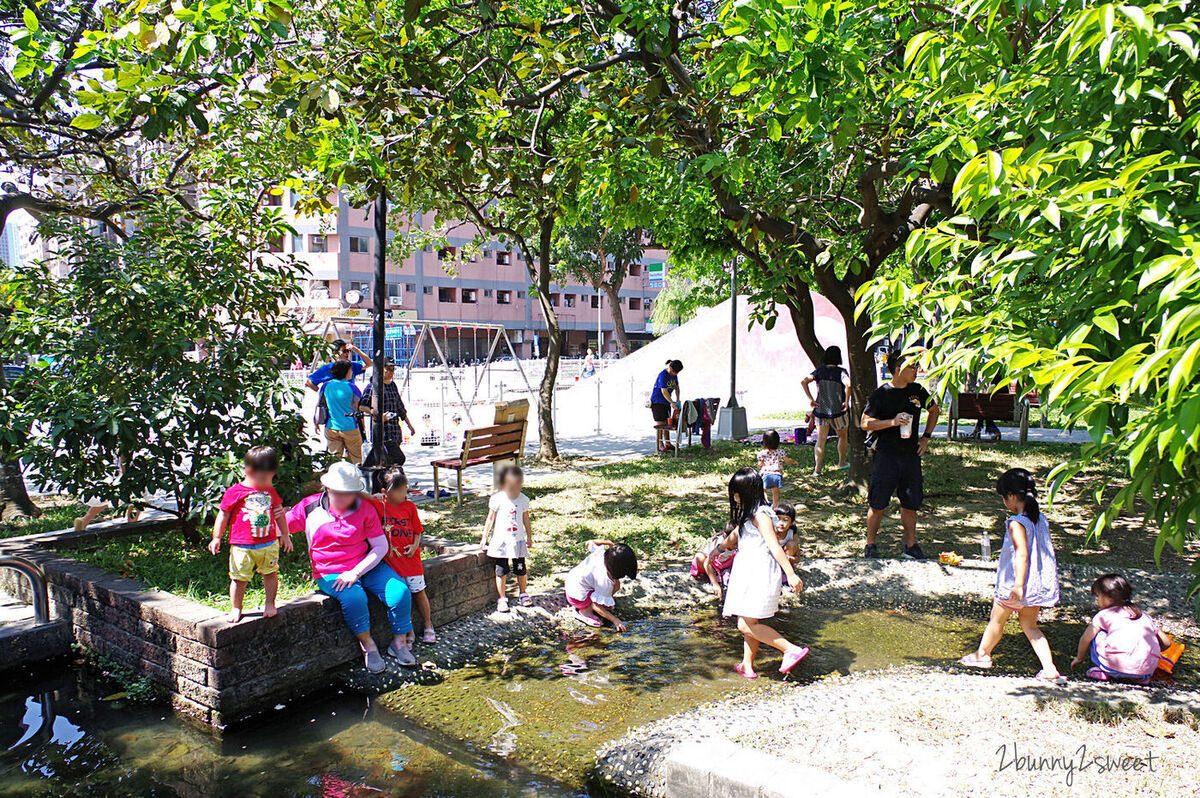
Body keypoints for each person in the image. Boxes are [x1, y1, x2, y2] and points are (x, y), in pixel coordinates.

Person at [286, 461, 416, 672]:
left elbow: (380, 546)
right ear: (327, 489)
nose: (346, 498)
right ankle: (368, 645)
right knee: (355, 598)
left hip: (366, 565)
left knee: (400, 592)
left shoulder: (364, 508)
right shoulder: (310, 507)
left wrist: (356, 572)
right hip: (330, 570)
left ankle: (399, 643)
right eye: (340, 492)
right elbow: (282, 525)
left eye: (351, 493)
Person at [960, 468, 1063, 682]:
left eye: (1004, 497)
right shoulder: (1040, 519)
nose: (1004, 502)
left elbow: (1022, 554)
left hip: (1015, 586)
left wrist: (1017, 585)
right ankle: (1049, 667)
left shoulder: (1017, 522)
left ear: (1013, 496)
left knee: (996, 621)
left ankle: (983, 654)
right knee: (1031, 626)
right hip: (1035, 585)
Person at [722, 467, 808, 679]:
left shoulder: (761, 515)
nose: (735, 497)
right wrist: (717, 550)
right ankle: (747, 665)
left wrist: (792, 573)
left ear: (749, 492)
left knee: (744, 624)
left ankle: (790, 649)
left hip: (758, 574)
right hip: (750, 572)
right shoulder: (751, 513)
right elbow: (734, 537)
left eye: (738, 492)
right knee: (751, 622)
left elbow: (774, 546)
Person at [860, 351, 940, 559]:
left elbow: (934, 410)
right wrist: (892, 422)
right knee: (877, 503)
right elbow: (865, 423)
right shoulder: (881, 394)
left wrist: (926, 437)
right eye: (913, 367)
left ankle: (911, 545)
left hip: (910, 456)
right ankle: (870, 545)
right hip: (886, 456)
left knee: (910, 502)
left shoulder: (917, 391)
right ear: (898, 369)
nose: (917, 371)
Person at [208, 446, 293, 623]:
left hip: (269, 544)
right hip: (241, 545)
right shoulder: (235, 492)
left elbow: (278, 512)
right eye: (261, 478)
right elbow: (223, 514)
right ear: (248, 471)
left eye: (269, 478)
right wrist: (216, 537)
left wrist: (285, 534)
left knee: (270, 574)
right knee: (239, 579)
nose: (266, 482)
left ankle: (270, 603)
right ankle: (236, 607)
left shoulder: (270, 491)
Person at [369, 467, 436, 644]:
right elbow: (358, 496)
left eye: (405, 489)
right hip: (392, 564)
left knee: (419, 593)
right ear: (385, 492)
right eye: (399, 491)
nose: (404, 494)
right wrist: (373, 496)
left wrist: (415, 545)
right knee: (403, 598)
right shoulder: (380, 506)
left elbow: (417, 531)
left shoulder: (410, 507)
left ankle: (429, 624)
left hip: (410, 561)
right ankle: (410, 632)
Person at [1071, 574, 1171, 683]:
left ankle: (1103, 671)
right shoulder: (1144, 616)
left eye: (1098, 596)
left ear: (1106, 597)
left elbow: (1085, 639)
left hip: (1114, 668)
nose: (1097, 601)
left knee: (1098, 634)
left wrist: (1079, 659)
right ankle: (1138, 677)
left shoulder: (1103, 615)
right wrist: (1145, 654)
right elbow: (1166, 643)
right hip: (1146, 672)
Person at [480, 465, 533, 612]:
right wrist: (484, 537)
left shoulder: (523, 499)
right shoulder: (497, 499)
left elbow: (526, 519)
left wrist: (530, 536)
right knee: (501, 570)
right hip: (501, 541)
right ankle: (502, 598)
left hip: (518, 541)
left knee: (520, 568)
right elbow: (490, 519)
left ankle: (523, 593)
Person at [565, 539, 638, 630]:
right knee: (610, 591)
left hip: (571, 581)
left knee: (615, 586)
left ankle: (599, 601)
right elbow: (596, 605)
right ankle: (585, 612)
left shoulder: (600, 553)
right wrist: (615, 620)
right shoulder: (604, 581)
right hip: (576, 597)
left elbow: (589, 543)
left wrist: (607, 542)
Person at [801, 345, 852, 474]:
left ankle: (817, 469)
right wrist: (846, 401)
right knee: (843, 436)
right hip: (838, 412)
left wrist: (811, 399)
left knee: (821, 439)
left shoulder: (819, 371)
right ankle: (842, 463)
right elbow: (849, 384)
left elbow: (804, 381)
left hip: (821, 411)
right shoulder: (841, 372)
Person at [359, 357, 417, 470]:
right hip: (382, 433)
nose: (391, 372)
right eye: (388, 369)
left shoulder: (393, 385)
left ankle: (393, 482)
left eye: (393, 369)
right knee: (397, 459)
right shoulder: (372, 386)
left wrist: (410, 425)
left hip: (395, 431)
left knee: (393, 462)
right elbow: (362, 406)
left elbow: (400, 407)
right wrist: (377, 415)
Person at [321, 360, 364, 464]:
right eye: (350, 370)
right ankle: (358, 479)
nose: (352, 372)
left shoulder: (326, 385)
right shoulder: (352, 387)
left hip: (331, 426)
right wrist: (363, 428)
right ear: (346, 371)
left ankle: (333, 478)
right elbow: (359, 408)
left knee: (333, 460)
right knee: (357, 459)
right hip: (350, 427)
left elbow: (322, 404)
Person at [305, 338, 372, 391]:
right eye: (344, 351)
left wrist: (356, 350)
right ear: (335, 353)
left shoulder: (352, 366)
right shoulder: (327, 368)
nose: (347, 354)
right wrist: (323, 392)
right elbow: (309, 382)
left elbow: (370, 363)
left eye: (348, 351)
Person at [690, 529, 736, 601]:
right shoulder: (718, 543)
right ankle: (715, 576)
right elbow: (707, 563)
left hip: (726, 565)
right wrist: (715, 583)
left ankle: (724, 576)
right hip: (711, 565)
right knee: (699, 556)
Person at [756, 430, 799, 505]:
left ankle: (765, 501)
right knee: (775, 492)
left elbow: (760, 464)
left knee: (763, 490)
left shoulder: (762, 453)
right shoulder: (780, 452)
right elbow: (787, 460)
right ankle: (775, 505)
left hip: (765, 474)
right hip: (776, 474)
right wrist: (793, 462)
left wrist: (759, 466)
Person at [651, 359, 683, 453]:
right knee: (661, 424)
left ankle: (668, 443)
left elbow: (677, 387)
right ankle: (660, 445)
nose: (675, 374)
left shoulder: (674, 375)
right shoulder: (663, 375)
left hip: (666, 402)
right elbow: (664, 391)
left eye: (677, 373)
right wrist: (672, 402)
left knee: (667, 423)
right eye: (674, 372)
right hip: (657, 402)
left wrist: (677, 399)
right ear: (670, 368)